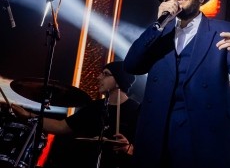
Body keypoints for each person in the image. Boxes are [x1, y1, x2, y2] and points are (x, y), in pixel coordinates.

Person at [124, 0, 230, 168]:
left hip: (203, 136)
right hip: (158, 134)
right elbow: (131, 65)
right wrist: (157, 25)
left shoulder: (222, 30)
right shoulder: (158, 33)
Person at [10, 61, 139, 168]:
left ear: (119, 81)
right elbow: (61, 126)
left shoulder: (138, 111)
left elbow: (147, 150)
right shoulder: (95, 107)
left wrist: (130, 149)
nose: (99, 77)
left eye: (105, 74)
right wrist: (29, 115)